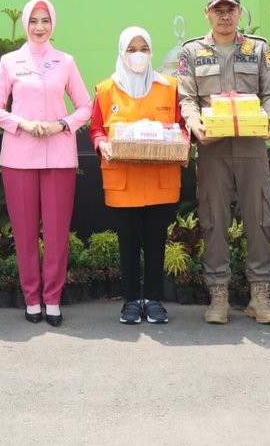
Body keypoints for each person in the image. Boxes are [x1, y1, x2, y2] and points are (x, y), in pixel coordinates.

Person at [176, 0, 270, 325]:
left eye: (230, 9)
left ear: (239, 12)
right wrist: (194, 123)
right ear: (207, 13)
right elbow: (187, 98)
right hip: (213, 148)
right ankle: (218, 295)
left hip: (252, 146)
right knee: (214, 220)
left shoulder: (258, 49)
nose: (224, 16)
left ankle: (259, 296)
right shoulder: (192, 52)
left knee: (259, 218)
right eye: (218, 10)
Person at [0, 0, 91, 327]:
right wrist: (21, 123)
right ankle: (32, 298)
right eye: (33, 20)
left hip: (59, 155)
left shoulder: (66, 62)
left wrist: (62, 124)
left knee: (57, 232)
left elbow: (85, 106)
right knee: (24, 231)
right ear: (26, 25)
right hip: (19, 156)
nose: (39, 27)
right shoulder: (10, 62)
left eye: (45, 20)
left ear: (53, 23)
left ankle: (53, 298)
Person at [89, 26, 183, 327]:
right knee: (128, 244)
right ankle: (130, 301)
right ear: (121, 52)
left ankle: (154, 300)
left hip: (160, 180)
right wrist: (102, 144)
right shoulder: (106, 90)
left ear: (152, 52)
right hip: (124, 181)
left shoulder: (169, 87)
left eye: (144, 49)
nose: (138, 55)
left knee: (156, 242)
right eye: (131, 49)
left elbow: (182, 126)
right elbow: (96, 129)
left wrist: (182, 141)